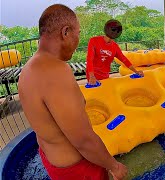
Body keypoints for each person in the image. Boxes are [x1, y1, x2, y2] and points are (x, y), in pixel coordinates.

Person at [18, 4, 127, 179]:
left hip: (51, 159)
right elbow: (83, 140)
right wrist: (113, 165)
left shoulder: (28, 69)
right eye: (78, 33)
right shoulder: (55, 71)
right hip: (76, 169)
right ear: (66, 32)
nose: (78, 41)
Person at [86, 19, 143, 85]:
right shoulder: (94, 41)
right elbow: (89, 59)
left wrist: (136, 71)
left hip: (105, 75)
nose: (114, 32)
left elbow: (124, 60)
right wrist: (91, 76)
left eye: (117, 30)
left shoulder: (115, 47)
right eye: (113, 29)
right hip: (92, 74)